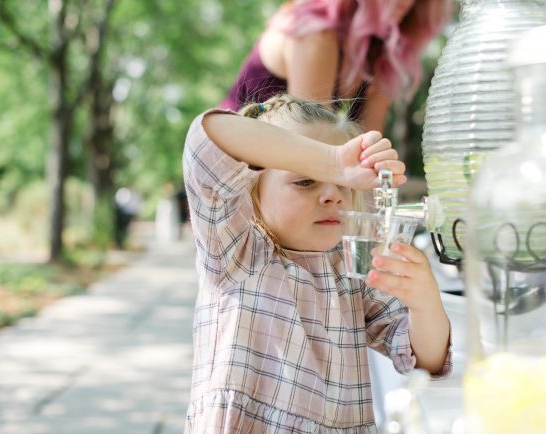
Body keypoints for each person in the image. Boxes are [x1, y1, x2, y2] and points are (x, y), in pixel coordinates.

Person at [182, 94, 451, 432]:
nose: (333, 195)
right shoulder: (238, 252)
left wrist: (424, 300)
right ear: (253, 193)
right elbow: (205, 140)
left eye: (344, 183)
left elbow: (423, 358)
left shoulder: (351, 269)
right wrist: (333, 162)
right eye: (305, 180)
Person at [219, 0, 451, 132]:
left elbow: (370, 147)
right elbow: (311, 140)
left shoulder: (380, 56)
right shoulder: (318, 33)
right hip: (230, 174)